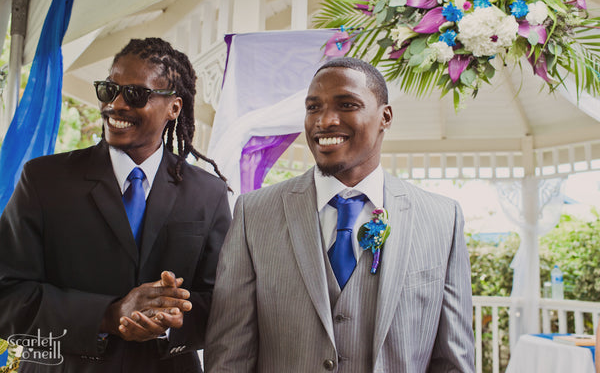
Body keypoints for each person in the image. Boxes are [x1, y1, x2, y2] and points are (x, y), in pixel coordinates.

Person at [205, 57, 475, 372]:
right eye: (313, 107)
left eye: (346, 105)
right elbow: (229, 355)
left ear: (385, 116)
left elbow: (453, 360)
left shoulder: (443, 218)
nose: (325, 120)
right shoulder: (254, 213)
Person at [0, 37, 231, 372]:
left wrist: (168, 317)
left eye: (135, 94)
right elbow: (7, 295)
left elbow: (223, 302)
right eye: (109, 90)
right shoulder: (44, 180)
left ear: (174, 107)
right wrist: (109, 315)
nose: (116, 104)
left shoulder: (208, 193)